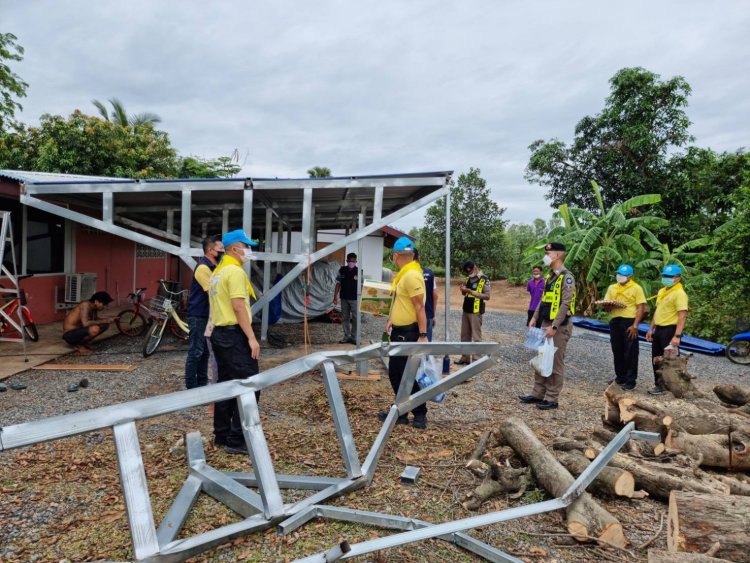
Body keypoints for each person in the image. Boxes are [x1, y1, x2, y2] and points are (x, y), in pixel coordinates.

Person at [208, 229, 261, 455]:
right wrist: (251, 338)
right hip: (234, 334)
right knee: (250, 386)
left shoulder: (218, 272)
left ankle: (221, 434)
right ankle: (237, 439)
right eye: (245, 246)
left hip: (220, 334)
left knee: (227, 385)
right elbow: (238, 306)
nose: (247, 250)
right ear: (233, 249)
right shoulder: (235, 272)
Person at [377, 236, 429, 429]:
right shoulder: (404, 274)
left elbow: (419, 307)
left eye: (394, 256)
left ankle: (420, 412)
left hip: (409, 332)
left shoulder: (411, 275)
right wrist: (391, 318)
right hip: (399, 330)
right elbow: (402, 301)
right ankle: (401, 411)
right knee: (397, 373)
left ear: (397, 255)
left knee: (406, 374)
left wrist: (422, 335)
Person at [519, 242, 575, 410]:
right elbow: (544, 300)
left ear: (557, 255)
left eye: (548, 253)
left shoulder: (567, 277)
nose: (545, 255)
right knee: (541, 358)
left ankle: (552, 398)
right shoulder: (550, 276)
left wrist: (555, 327)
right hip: (544, 323)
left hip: (559, 326)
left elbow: (565, 304)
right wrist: (534, 317)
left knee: (555, 361)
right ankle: (537, 393)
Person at [184, 235, 224, 389]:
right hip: (199, 315)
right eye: (220, 249)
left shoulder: (215, 266)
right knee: (196, 351)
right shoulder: (202, 268)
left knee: (205, 352)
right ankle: (191, 388)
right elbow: (213, 292)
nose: (222, 251)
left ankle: (202, 384)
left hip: (208, 316)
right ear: (210, 250)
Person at [602, 264, 646, 390]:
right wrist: (607, 305)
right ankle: (620, 376)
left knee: (631, 351)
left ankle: (630, 380)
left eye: (623, 275)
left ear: (630, 276)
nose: (619, 277)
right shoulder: (612, 287)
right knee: (617, 349)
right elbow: (607, 307)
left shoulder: (636, 288)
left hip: (629, 321)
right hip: (615, 320)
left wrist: (635, 325)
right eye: (619, 274)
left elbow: (640, 307)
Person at [646, 264, 689, 395]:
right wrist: (651, 329)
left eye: (670, 276)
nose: (666, 278)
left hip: (670, 330)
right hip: (659, 329)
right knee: (656, 358)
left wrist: (677, 335)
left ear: (678, 278)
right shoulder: (662, 291)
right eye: (665, 276)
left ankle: (675, 386)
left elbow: (682, 316)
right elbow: (658, 311)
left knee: (670, 360)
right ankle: (659, 384)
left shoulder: (679, 294)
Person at [455, 260, 490, 365]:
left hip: (476, 311)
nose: (469, 274)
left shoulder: (484, 279)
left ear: (475, 268)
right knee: (464, 335)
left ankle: (476, 360)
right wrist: (463, 290)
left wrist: (471, 292)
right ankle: (465, 358)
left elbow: (487, 296)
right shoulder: (469, 278)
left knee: (476, 336)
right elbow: (465, 294)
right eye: (467, 273)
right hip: (466, 310)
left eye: (470, 272)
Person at [333, 252, 359, 344]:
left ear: (356, 261)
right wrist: (335, 297)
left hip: (355, 299)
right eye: (350, 261)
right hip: (344, 298)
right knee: (345, 318)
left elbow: (363, 286)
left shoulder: (359, 271)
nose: (351, 263)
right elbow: (338, 284)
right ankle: (346, 336)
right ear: (347, 261)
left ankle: (354, 337)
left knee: (356, 318)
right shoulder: (342, 270)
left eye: (353, 261)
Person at [415, 249, 439, 341]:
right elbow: (435, 295)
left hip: (410, 315)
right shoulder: (429, 273)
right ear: (419, 258)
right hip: (427, 314)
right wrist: (433, 315)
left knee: (409, 347)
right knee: (426, 345)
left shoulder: (406, 274)